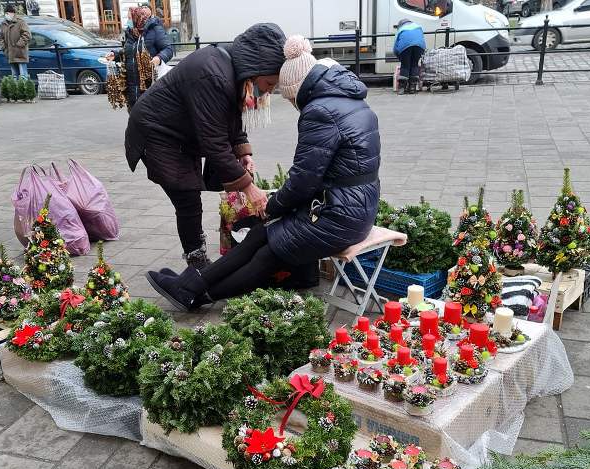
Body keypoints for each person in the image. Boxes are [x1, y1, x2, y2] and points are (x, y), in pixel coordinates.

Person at [146, 36, 389, 311]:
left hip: (339, 216)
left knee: (270, 252)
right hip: (351, 207)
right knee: (259, 235)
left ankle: (196, 296)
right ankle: (189, 286)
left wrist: (271, 206)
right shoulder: (349, 99)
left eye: (288, 97)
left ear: (297, 88)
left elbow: (303, 180)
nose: (293, 104)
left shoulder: (319, 111)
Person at [125, 23, 286, 270]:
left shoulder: (231, 70)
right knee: (187, 197)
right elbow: (214, 141)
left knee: (189, 195)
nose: (268, 90)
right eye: (269, 83)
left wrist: (243, 152)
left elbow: (229, 117)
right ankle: (196, 261)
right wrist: (248, 187)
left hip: (180, 134)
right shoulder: (213, 74)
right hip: (156, 133)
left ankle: (197, 256)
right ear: (257, 69)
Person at [107, 5, 173, 110]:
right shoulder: (130, 33)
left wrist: (159, 58)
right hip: (132, 90)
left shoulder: (155, 30)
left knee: (149, 120)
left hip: (150, 87)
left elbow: (168, 50)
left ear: (138, 18)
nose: (128, 21)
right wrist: (115, 55)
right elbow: (128, 53)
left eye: (130, 18)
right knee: (135, 120)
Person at [394, 19, 426, 95]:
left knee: (405, 65)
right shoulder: (418, 27)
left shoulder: (401, 29)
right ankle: (412, 88)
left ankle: (402, 88)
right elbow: (422, 39)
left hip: (405, 47)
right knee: (414, 64)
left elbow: (396, 46)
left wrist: (399, 56)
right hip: (419, 46)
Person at [0, 4, 30, 79]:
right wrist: (3, 47)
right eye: (5, 13)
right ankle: (16, 90)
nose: (6, 15)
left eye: (7, 13)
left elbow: (27, 34)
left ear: (12, 13)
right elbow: (0, 37)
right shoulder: (4, 24)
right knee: (14, 76)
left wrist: (19, 45)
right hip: (10, 53)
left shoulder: (20, 22)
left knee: (23, 76)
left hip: (20, 53)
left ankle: (24, 90)